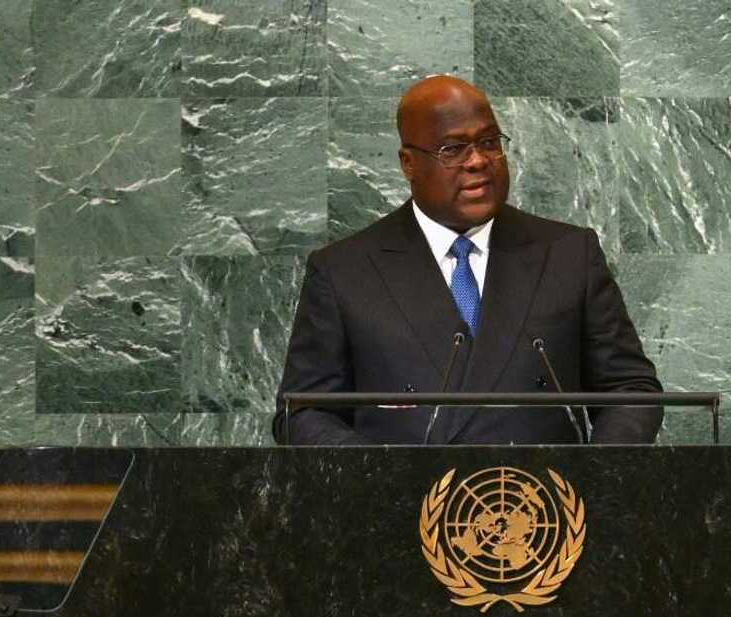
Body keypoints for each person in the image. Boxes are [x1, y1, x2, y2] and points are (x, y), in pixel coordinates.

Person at [273, 75, 662, 446]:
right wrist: (377, 474)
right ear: (408, 164)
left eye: (489, 142)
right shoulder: (344, 271)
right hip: (402, 505)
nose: (478, 161)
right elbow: (302, 412)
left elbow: (630, 390)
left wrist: (597, 475)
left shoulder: (568, 253)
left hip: (544, 507)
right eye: (452, 149)